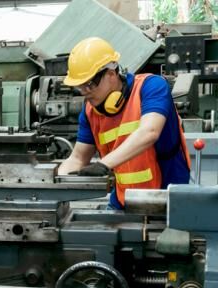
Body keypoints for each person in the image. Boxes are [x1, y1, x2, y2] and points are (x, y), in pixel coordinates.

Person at [57, 37, 191, 209]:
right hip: (124, 199)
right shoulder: (90, 111)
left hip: (169, 198)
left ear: (111, 74)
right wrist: (54, 182)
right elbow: (78, 158)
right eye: (80, 87)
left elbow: (149, 132)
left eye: (89, 84)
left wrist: (104, 164)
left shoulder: (151, 87)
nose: (85, 92)